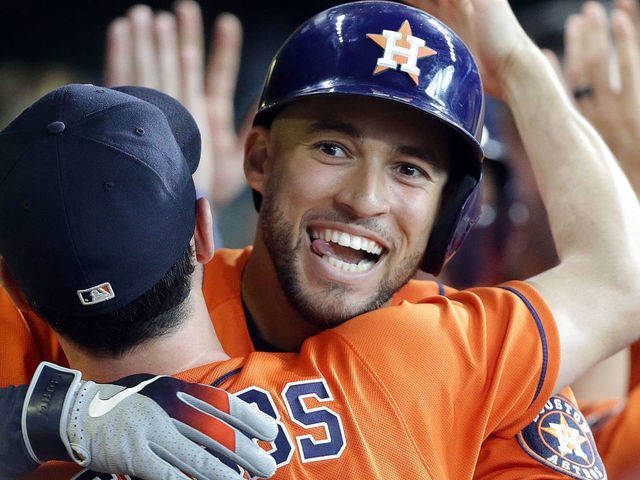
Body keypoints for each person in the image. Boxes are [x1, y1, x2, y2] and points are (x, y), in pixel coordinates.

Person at [4, 0, 640, 478]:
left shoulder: (482, 366)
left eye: (410, 169)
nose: (364, 199)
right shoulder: (124, 298)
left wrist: (517, 65)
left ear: (450, 214)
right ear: (259, 160)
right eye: (332, 148)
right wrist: (50, 418)